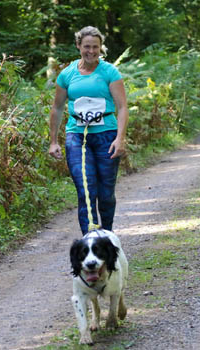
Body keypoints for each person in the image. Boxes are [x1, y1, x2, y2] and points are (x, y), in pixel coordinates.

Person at [49, 26, 129, 234]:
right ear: (78, 46)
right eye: (87, 47)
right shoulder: (67, 75)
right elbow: (57, 108)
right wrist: (53, 141)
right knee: (85, 191)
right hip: (77, 136)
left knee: (105, 194)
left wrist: (120, 139)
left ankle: (108, 236)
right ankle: (90, 241)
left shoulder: (110, 72)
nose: (91, 51)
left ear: (101, 48)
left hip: (106, 135)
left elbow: (122, 107)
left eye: (95, 47)